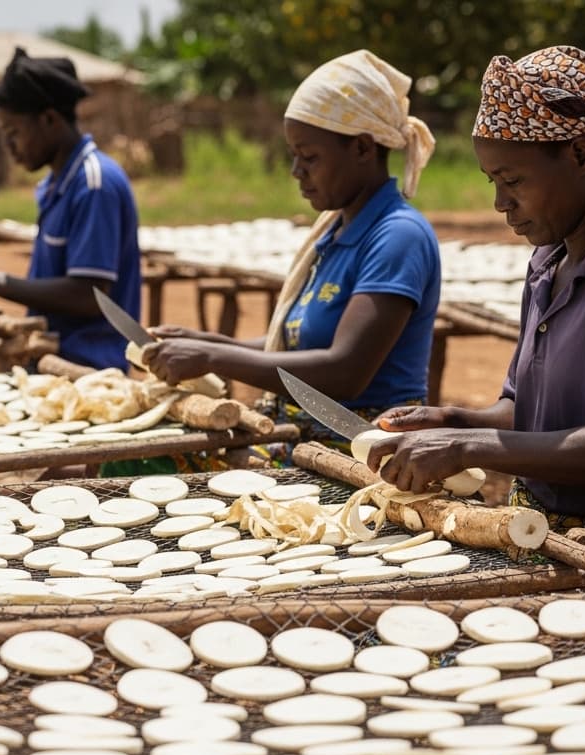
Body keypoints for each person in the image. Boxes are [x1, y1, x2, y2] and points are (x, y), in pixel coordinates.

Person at [366, 46, 585, 588]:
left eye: (513, 179)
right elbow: (525, 413)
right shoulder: (548, 261)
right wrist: (453, 421)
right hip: (534, 531)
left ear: (580, 154)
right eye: (493, 183)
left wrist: (465, 447)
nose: (501, 203)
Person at [140, 50, 440, 467]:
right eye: (294, 156)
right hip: (303, 432)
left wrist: (212, 357)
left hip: (357, 448)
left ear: (362, 148)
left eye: (310, 157)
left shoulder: (397, 235)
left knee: (158, 465)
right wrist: (208, 341)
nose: (297, 170)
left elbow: (345, 370)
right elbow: (300, 343)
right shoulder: (335, 230)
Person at [0, 48, 141, 372]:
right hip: (51, 355)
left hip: (87, 367)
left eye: (13, 133)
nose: (9, 148)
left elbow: (88, 296)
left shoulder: (94, 184)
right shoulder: (56, 183)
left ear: (49, 119)